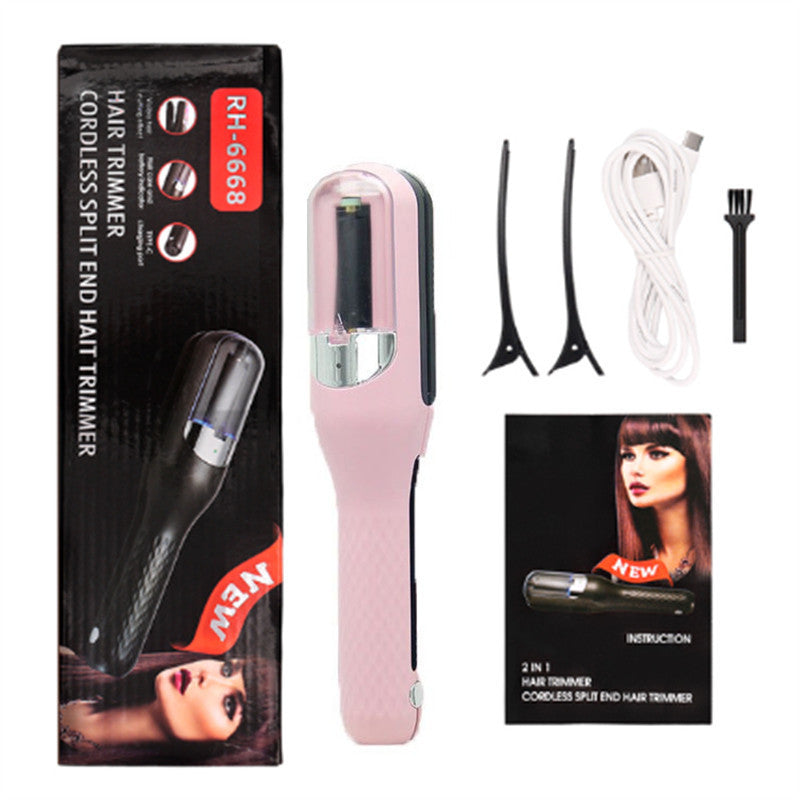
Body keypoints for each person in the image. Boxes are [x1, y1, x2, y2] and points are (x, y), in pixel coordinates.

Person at [59, 649, 279, 765]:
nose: (207, 677)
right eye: (228, 670)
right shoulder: (65, 663)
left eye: (230, 704)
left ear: (227, 749)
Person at [615, 415, 711, 582]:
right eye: (628, 456)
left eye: (657, 454)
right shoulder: (623, 566)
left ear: (697, 460)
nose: (635, 469)